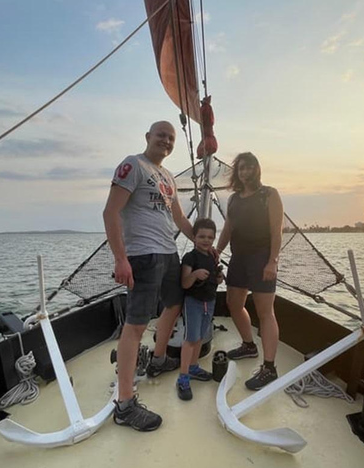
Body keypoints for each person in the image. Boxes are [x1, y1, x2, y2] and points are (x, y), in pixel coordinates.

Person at [103, 120, 195, 431]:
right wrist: (121, 258)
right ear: (147, 137)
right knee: (136, 324)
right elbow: (111, 212)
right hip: (142, 255)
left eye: (170, 138)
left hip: (168, 253)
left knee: (174, 302)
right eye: (161, 136)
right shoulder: (134, 165)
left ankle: (158, 360)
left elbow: (179, 217)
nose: (166, 141)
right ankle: (125, 404)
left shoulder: (167, 176)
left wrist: (204, 245)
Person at [216, 152, 284, 390]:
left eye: (250, 167)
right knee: (234, 303)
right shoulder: (234, 199)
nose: (246, 172)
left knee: (265, 312)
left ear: (258, 169)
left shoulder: (269, 194)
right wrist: (217, 250)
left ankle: (269, 367)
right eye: (242, 168)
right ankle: (249, 345)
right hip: (238, 258)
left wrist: (272, 261)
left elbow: (277, 231)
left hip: (261, 258)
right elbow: (228, 229)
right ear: (238, 172)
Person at [177, 218, 224, 400]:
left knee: (200, 338)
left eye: (210, 237)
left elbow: (215, 280)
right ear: (194, 237)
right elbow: (185, 283)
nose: (206, 240)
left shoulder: (212, 257)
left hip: (209, 302)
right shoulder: (190, 257)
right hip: (194, 303)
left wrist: (218, 278)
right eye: (202, 236)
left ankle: (193, 367)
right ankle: (183, 377)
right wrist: (195, 274)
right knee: (190, 339)